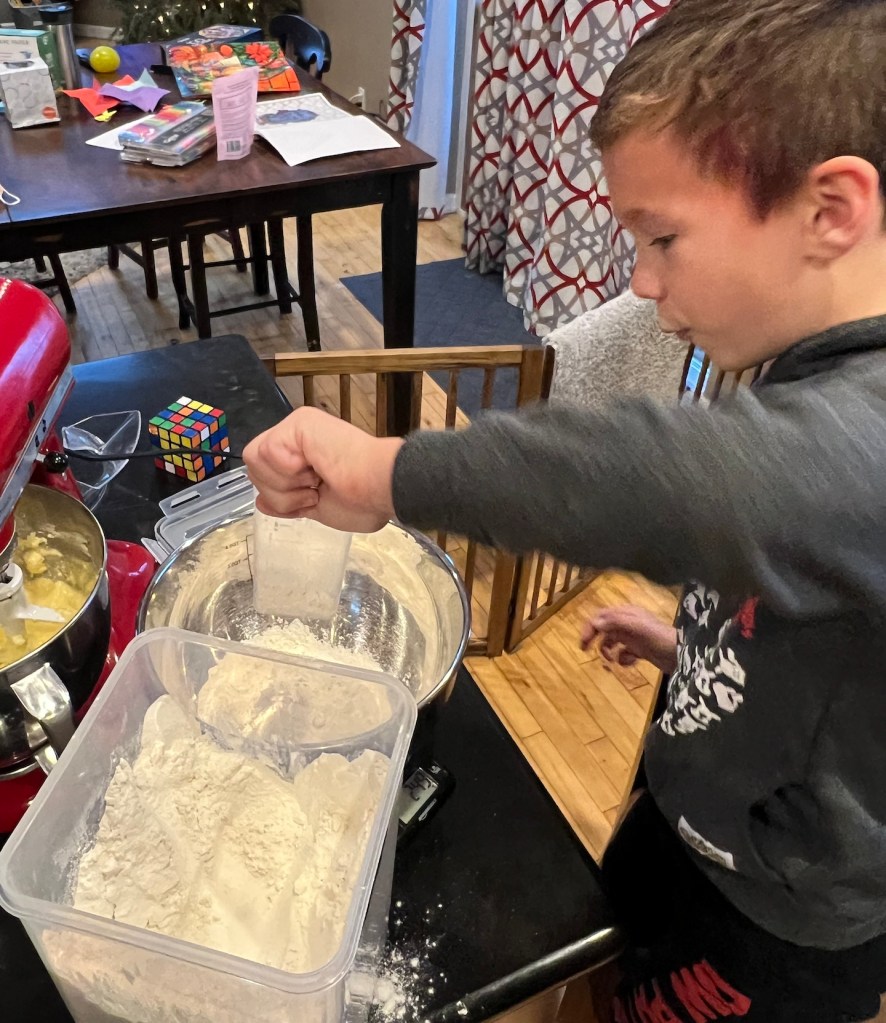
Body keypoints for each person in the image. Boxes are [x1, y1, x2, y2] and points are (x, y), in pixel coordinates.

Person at [244, 1, 886, 1018]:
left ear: (831, 209)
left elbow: (687, 478)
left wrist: (380, 472)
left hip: (777, 920)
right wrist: (698, 650)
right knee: (594, 962)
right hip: (691, 804)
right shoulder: (800, 370)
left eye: (663, 237)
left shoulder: (868, 429)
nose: (641, 280)